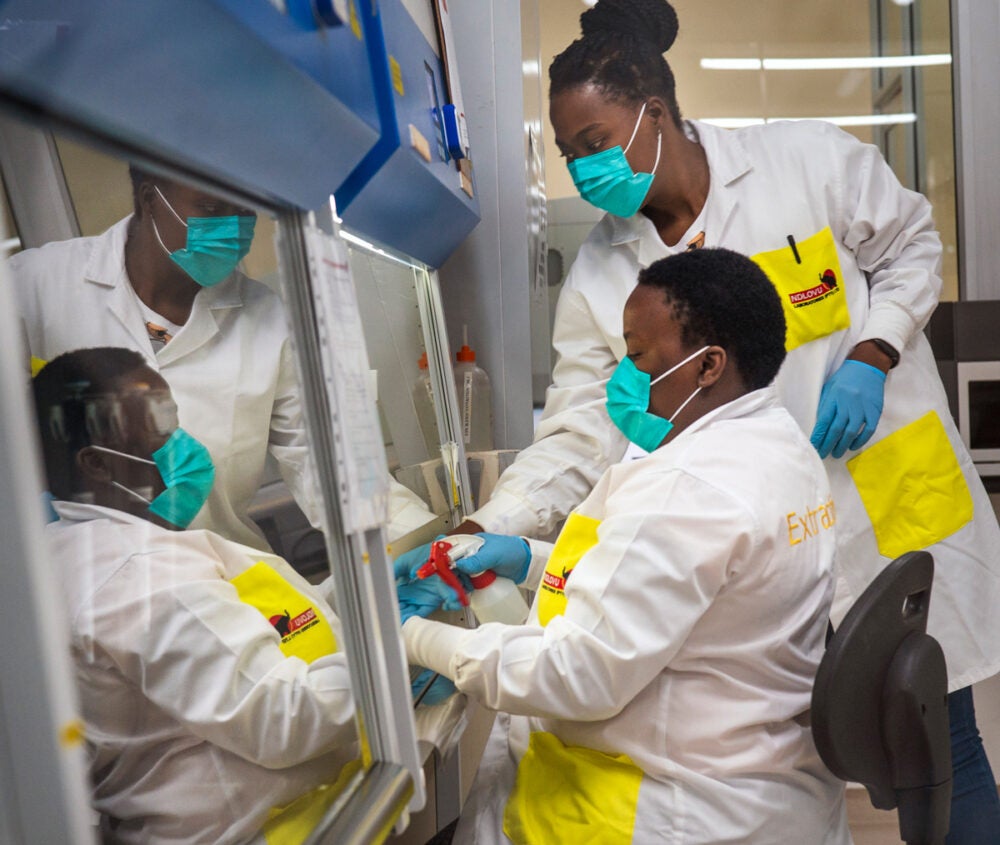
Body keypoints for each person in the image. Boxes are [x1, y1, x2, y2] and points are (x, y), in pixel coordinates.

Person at [400, 2, 1000, 838]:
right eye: (569, 153)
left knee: (942, 747)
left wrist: (874, 352)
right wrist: (482, 527)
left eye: (595, 141)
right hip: (760, 545)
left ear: (654, 113)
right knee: (799, 737)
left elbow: (914, 247)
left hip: (885, 502)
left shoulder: (803, 163)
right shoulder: (603, 274)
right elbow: (575, 431)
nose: (582, 170)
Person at [398, 248, 850, 845]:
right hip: (758, 780)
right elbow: (681, 587)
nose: (622, 376)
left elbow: (574, 676)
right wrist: (526, 558)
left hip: (672, 806)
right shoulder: (776, 443)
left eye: (636, 356)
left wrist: (410, 639)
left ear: (708, 365)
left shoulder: (687, 487)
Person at [32, 346, 364, 844]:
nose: (183, 444)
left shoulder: (74, 550)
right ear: (98, 465)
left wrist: (356, 601)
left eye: (174, 418)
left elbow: (245, 631)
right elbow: (284, 720)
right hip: (262, 831)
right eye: (159, 427)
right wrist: (396, 645)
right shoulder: (143, 576)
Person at [10, 167, 434, 550]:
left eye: (244, 210)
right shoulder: (32, 287)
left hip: (226, 576)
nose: (230, 228)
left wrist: (430, 543)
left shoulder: (271, 320)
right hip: (82, 586)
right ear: (148, 197)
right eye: (210, 206)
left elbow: (329, 465)